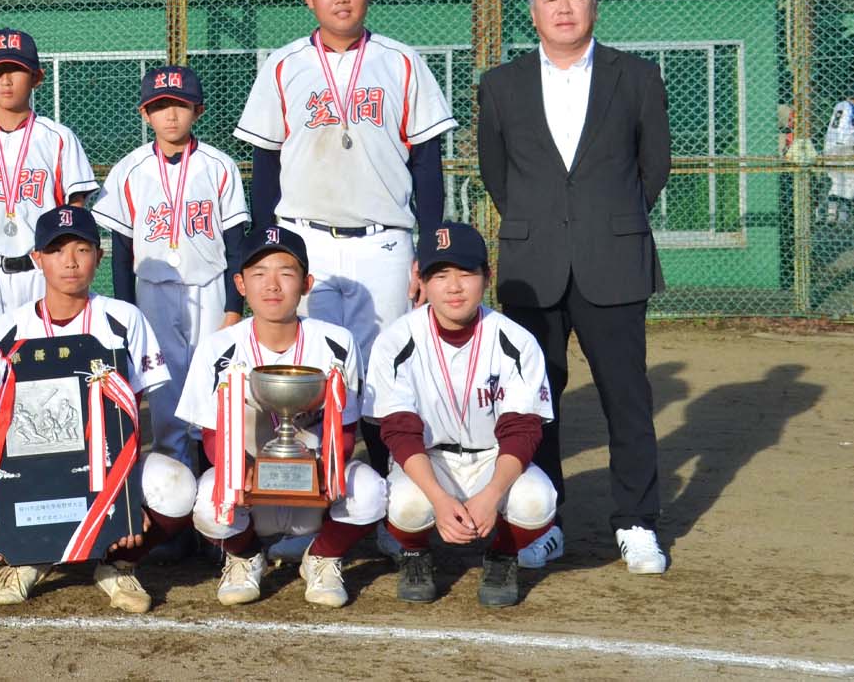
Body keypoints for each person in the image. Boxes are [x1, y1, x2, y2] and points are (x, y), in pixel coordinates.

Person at [232, 0, 455, 517]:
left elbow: (426, 164)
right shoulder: (282, 65)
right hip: (306, 241)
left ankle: (390, 501)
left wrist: (428, 253)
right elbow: (265, 167)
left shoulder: (401, 61)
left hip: (384, 240)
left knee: (386, 376)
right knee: (302, 376)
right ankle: (297, 501)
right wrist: (265, 254)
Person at [475, 0, 670, 574]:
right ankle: (544, 521)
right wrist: (544, 224)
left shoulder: (636, 77)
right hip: (535, 266)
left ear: (594, 4)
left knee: (627, 397)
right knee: (536, 400)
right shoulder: (499, 85)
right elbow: (497, 175)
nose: (563, 8)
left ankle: (636, 524)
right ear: (532, 10)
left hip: (613, 259)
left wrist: (603, 220)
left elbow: (653, 168)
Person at [0, 205, 195, 613]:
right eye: (56, 250)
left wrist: (126, 502)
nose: (70, 261)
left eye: (81, 249)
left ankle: (116, 562)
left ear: (99, 256)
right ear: (37, 259)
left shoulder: (124, 319)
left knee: (177, 486)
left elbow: (130, 420)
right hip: (28, 474)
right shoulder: (5, 330)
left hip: (103, 470)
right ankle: (27, 556)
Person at [177, 226, 385, 607]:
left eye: (285, 273)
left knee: (371, 491)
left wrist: (325, 471)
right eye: (259, 274)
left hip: (317, 484)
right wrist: (242, 472)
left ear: (306, 283)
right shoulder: (217, 347)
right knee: (207, 501)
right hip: (250, 485)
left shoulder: (336, 341)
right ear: (240, 283)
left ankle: (323, 555)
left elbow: (347, 426)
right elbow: (210, 434)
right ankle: (245, 555)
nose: (272, 285)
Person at [365, 222, 558, 607]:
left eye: (466, 273)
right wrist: (438, 498)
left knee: (537, 501)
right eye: (440, 275)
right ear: (420, 279)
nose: (454, 287)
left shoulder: (515, 340)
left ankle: (502, 554)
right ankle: (415, 554)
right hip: (429, 458)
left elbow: (522, 430)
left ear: (487, 277)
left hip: (493, 457)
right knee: (404, 504)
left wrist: (492, 493)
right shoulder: (395, 340)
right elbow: (399, 431)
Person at [95, 65, 250, 472]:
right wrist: (126, 316)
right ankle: (174, 481)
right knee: (163, 386)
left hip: (210, 286)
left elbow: (236, 245)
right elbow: (123, 252)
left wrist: (235, 306)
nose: (170, 115)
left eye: (179, 105)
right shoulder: (129, 170)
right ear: (145, 114)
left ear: (197, 110)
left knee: (215, 383)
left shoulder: (219, 166)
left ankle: (217, 473)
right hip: (153, 292)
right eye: (159, 106)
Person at [0, 29, 98, 347]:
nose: (7, 80)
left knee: (51, 367)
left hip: (42, 271)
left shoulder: (58, 139)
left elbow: (75, 216)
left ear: (37, 77)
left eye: (16, 70)